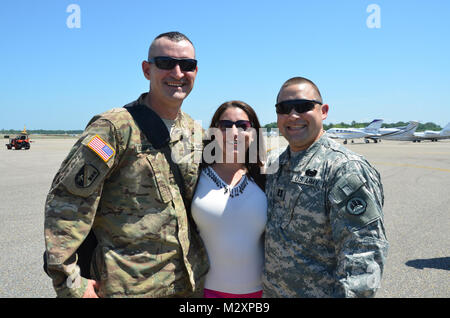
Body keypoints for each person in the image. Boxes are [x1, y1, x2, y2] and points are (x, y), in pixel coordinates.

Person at [43, 31, 209, 298]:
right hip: (129, 287)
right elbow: (66, 203)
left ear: (196, 71)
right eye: (166, 63)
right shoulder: (114, 128)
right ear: (147, 69)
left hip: (188, 284)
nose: (178, 72)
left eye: (187, 65)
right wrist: (71, 282)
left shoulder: (194, 131)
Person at [262, 77, 389, 297]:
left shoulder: (344, 169)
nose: (293, 115)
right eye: (284, 108)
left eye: (303, 106)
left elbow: (365, 251)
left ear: (324, 111)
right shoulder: (275, 164)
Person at [191, 101, 267, 298]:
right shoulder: (192, 178)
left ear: (254, 133)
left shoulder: (267, 179)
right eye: (225, 125)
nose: (234, 133)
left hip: (262, 293)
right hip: (203, 293)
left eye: (243, 126)